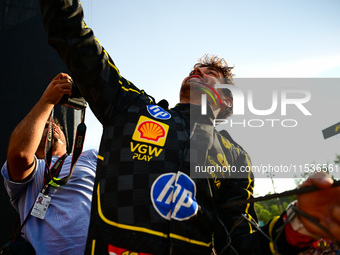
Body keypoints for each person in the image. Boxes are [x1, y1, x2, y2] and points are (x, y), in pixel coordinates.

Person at [38, 1, 340, 254]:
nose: (197, 71)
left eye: (209, 74)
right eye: (196, 69)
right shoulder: (130, 106)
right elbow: (72, 36)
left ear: (225, 101)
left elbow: (237, 243)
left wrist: (296, 228)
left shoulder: (235, 158)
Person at [1, 73, 98, 255]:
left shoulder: (90, 157)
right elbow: (20, 155)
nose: (51, 125)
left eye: (55, 124)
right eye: (44, 125)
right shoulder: (34, 170)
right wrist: (47, 101)